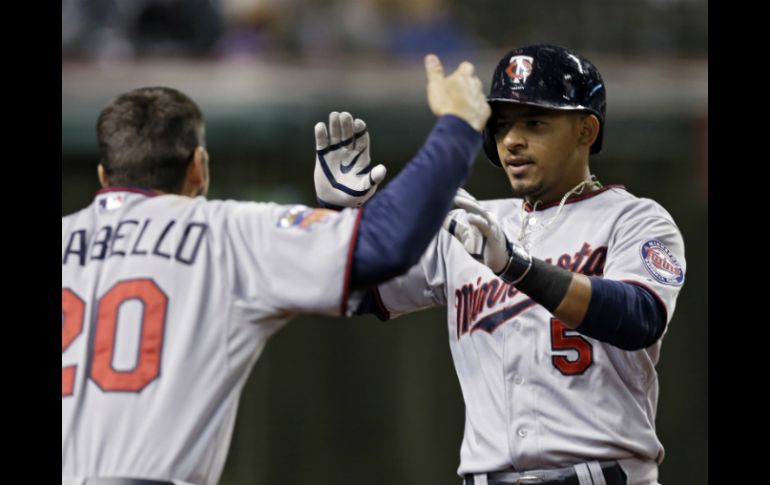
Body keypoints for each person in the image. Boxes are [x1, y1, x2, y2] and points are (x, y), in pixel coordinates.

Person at [61, 54, 491, 485]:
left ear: (103, 174)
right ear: (199, 167)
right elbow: (385, 244)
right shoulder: (225, 232)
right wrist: (456, 127)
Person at [334, 44, 686, 485]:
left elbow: (639, 317)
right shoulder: (475, 222)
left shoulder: (633, 218)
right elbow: (356, 290)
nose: (512, 140)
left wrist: (517, 267)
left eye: (534, 122)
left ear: (585, 130)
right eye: (501, 126)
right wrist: (342, 220)